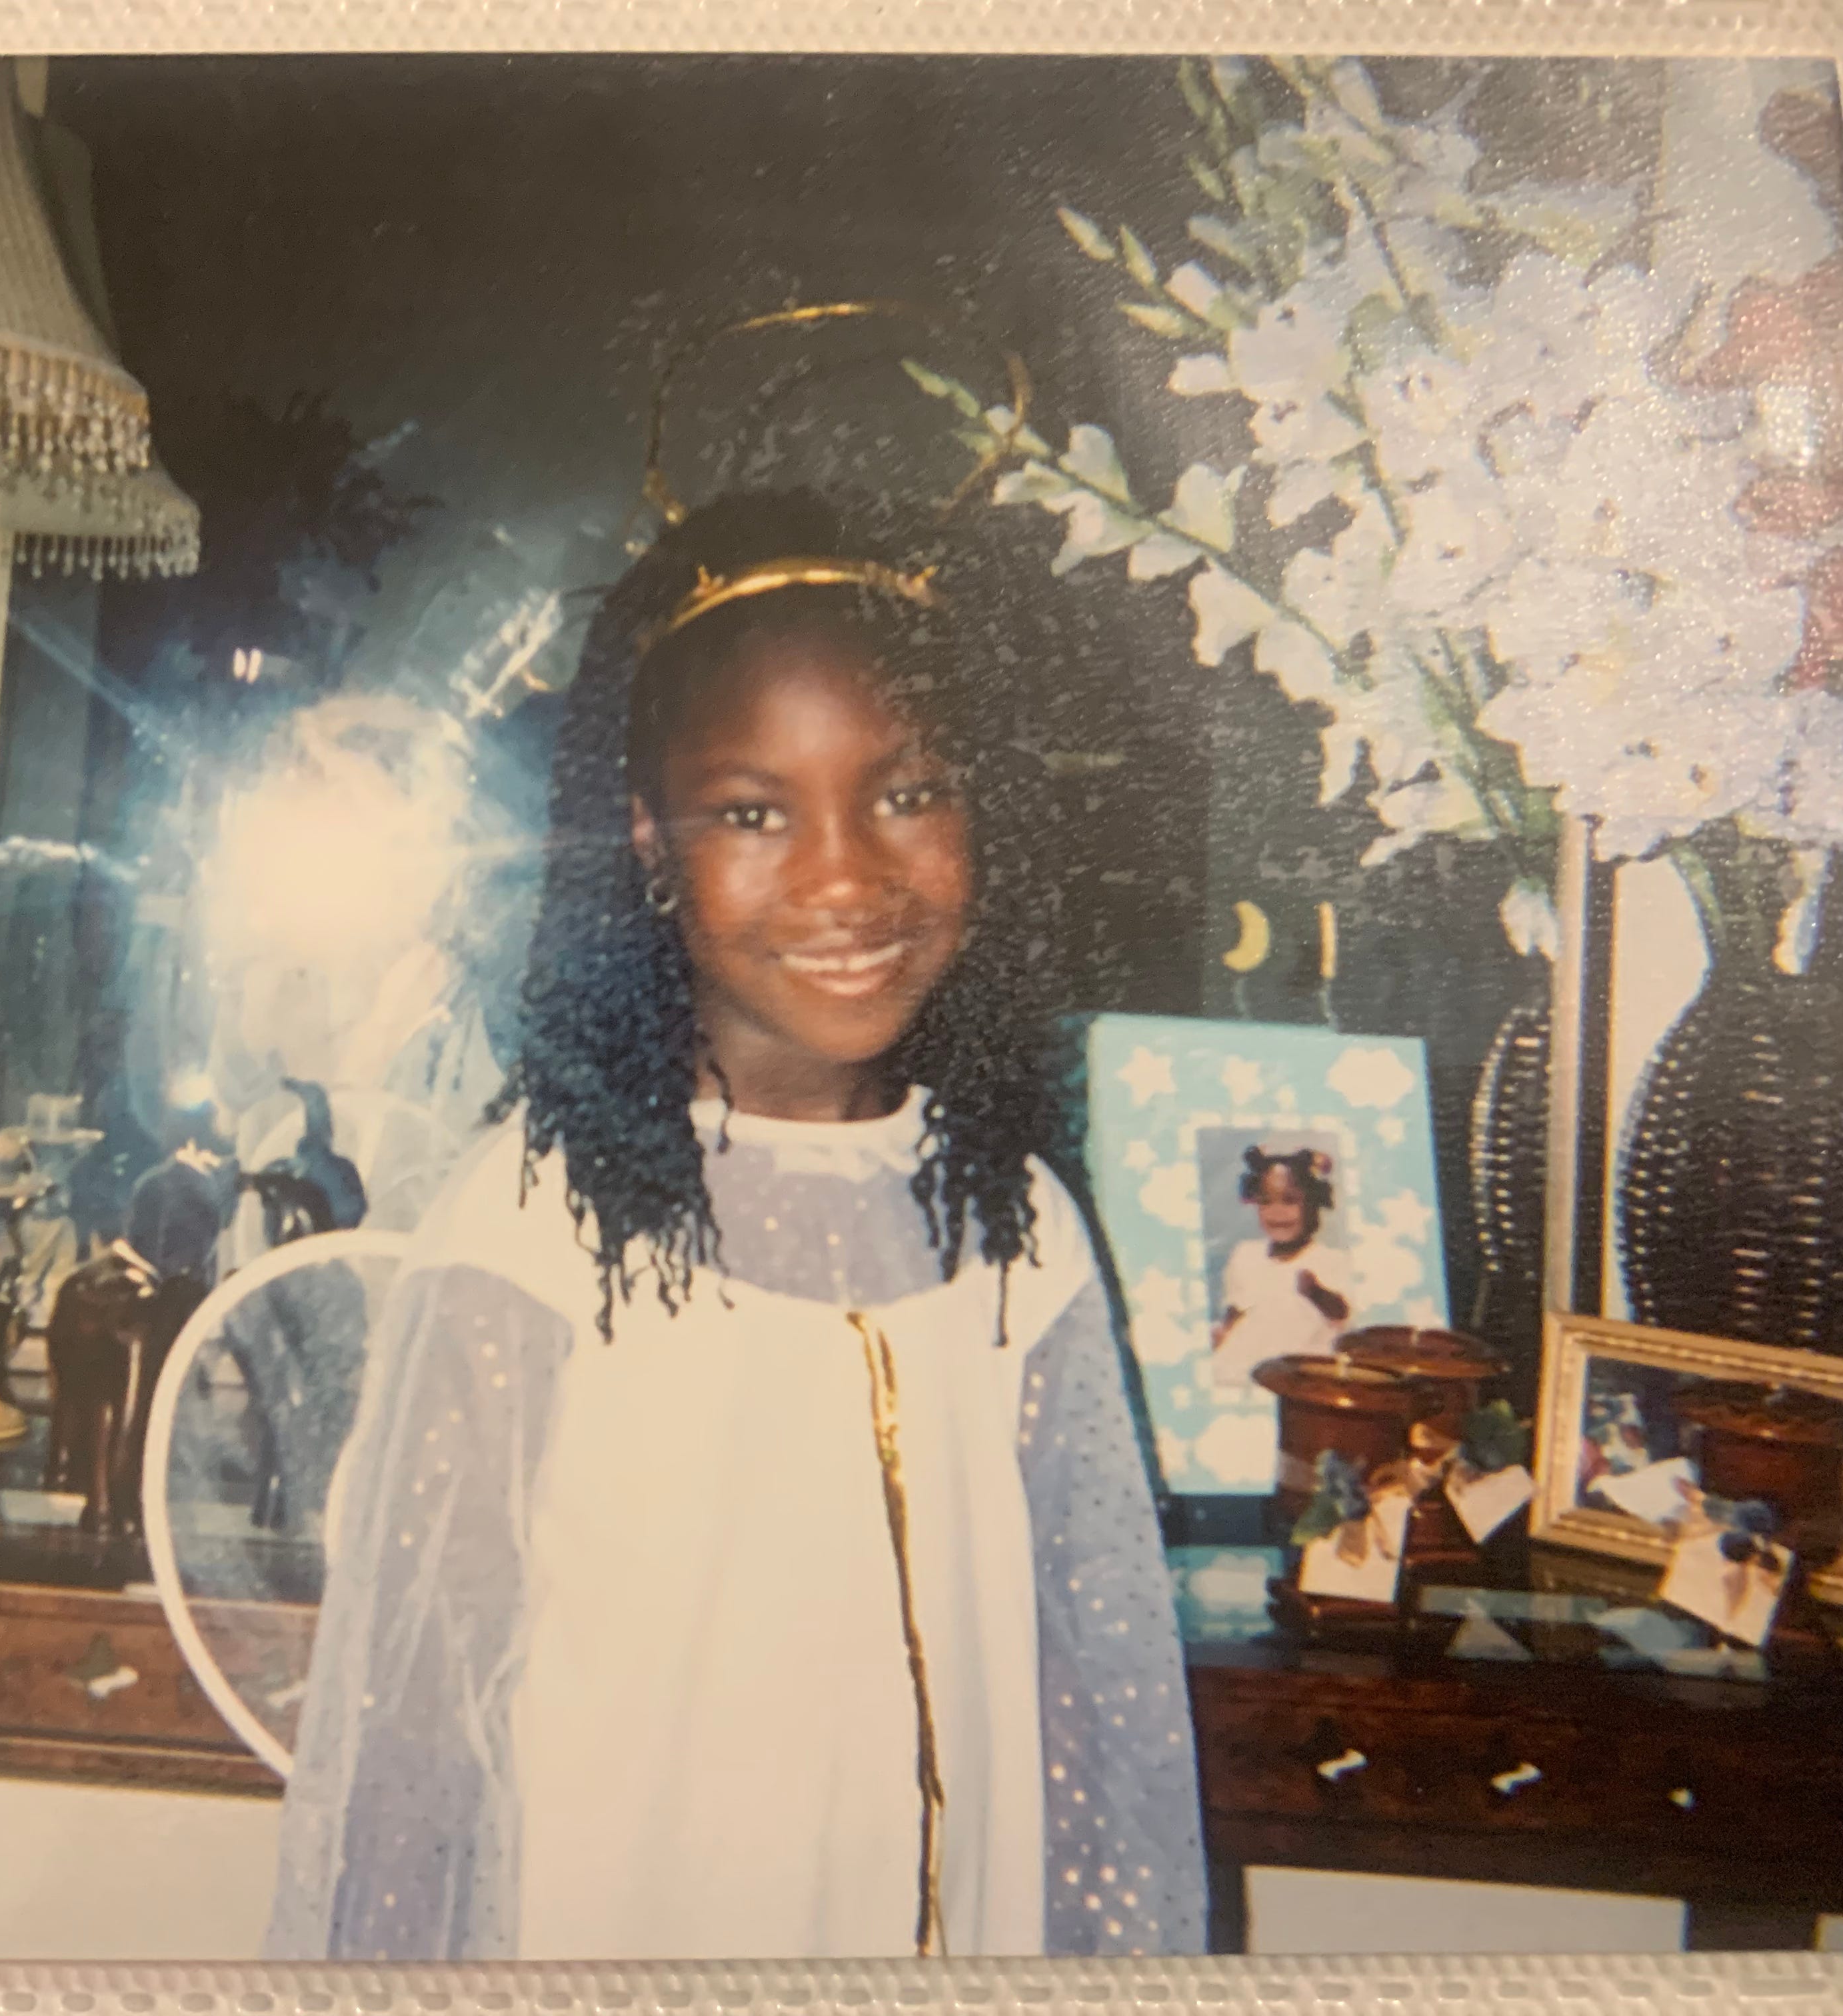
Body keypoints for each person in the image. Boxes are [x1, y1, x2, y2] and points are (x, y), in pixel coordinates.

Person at [265, 488, 1203, 1962]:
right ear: (647, 837)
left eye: (907, 792)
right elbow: (419, 1761)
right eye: (753, 813)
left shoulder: (1019, 1228)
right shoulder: (531, 1229)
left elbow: (1094, 1704)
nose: (846, 876)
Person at [1208, 1147, 1352, 1390]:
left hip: (1299, 1370)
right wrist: (1222, 1333)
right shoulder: (1246, 1255)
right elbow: (1236, 1309)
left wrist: (1315, 1292)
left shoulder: (1329, 1260)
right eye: (1266, 1202)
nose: (1277, 1212)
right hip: (1246, 1362)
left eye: (1290, 1201)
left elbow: (1341, 1314)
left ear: (1314, 1202)